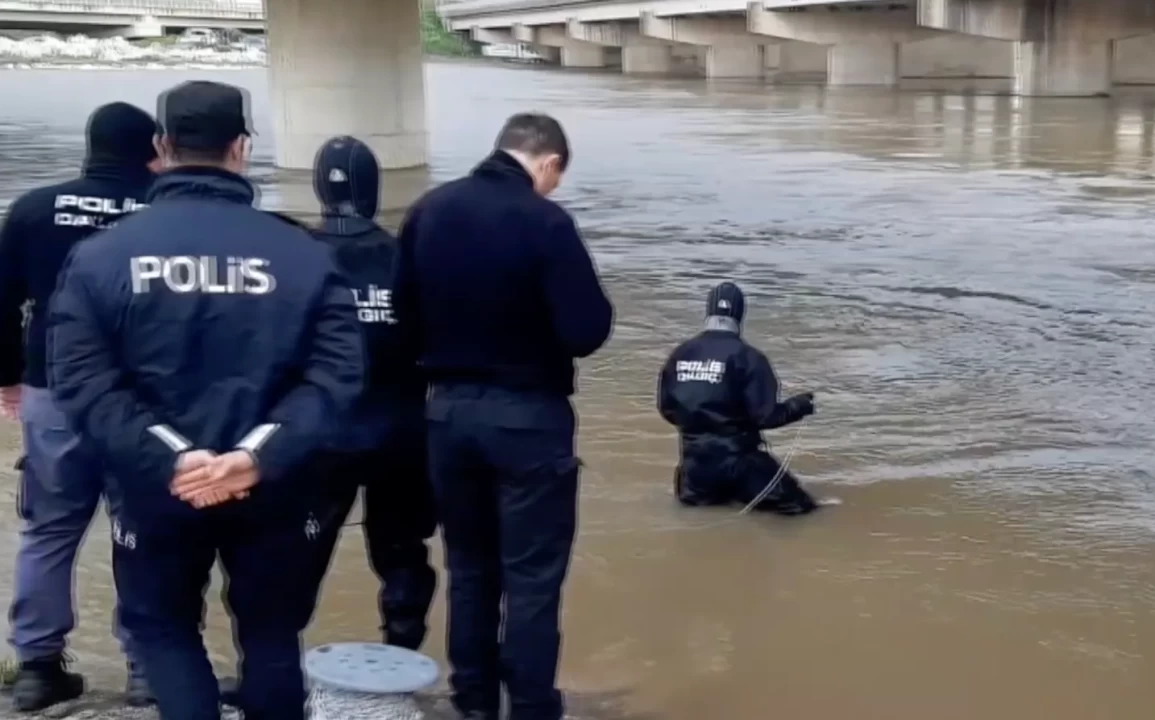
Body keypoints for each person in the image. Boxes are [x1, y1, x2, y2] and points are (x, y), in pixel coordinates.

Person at [44, 80, 365, 720]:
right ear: (242, 148)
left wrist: (177, 460)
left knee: (164, 629)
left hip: (155, 489)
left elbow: (81, 380)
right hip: (274, 488)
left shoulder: (102, 256)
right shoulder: (303, 253)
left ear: (161, 148)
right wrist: (253, 457)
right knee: (272, 636)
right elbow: (337, 376)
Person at [394, 113, 613, 720]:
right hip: (527, 418)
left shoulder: (428, 211)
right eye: (555, 178)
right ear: (547, 163)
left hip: (447, 416)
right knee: (533, 580)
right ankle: (534, 708)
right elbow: (586, 330)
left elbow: (400, 320)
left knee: (468, 570)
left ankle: (473, 703)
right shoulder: (546, 222)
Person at [215, 136, 437, 710]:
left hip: (318, 437)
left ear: (318, 187)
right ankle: (404, 664)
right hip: (402, 436)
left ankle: (270, 672)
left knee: (290, 558)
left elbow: (264, 348)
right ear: (374, 188)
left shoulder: (295, 257)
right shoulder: (406, 257)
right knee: (404, 553)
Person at [0, 101, 161, 711]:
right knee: (142, 531)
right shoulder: (166, 212)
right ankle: (147, 669)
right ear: (154, 150)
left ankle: (38, 669)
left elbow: (0, 301)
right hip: (143, 398)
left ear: (89, 149)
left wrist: (9, 380)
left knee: (48, 528)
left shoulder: (35, 208)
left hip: (54, 387)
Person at [657, 281, 819, 516]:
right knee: (804, 512)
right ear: (739, 314)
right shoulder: (749, 358)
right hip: (743, 465)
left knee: (697, 522)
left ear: (709, 311)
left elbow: (666, 408)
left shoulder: (680, 355)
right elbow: (766, 416)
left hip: (695, 468)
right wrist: (802, 405)